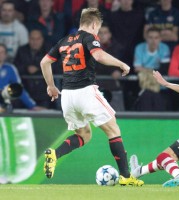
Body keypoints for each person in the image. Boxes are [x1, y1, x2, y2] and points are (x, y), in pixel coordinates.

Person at [40, 8, 143, 186]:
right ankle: (126, 176)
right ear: (94, 24)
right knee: (113, 130)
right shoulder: (89, 38)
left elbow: (45, 62)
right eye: (98, 28)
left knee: (84, 134)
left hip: (67, 96)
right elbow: (99, 55)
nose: (97, 33)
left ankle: (55, 154)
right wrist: (121, 64)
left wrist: (51, 86)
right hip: (85, 92)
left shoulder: (64, 41)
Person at [14, 29, 52, 108]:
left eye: (37, 39)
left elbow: (56, 67)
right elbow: (15, 67)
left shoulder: (49, 51)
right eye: (32, 39)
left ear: (42, 39)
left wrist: (38, 68)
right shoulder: (22, 50)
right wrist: (26, 69)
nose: (35, 42)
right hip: (25, 91)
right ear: (28, 39)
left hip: (44, 93)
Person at [0, 43, 39, 110]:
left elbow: (19, 89)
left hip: (4, 106)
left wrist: (32, 105)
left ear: (6, 55)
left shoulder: (10, 69)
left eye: (2, 52)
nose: (0, 54)